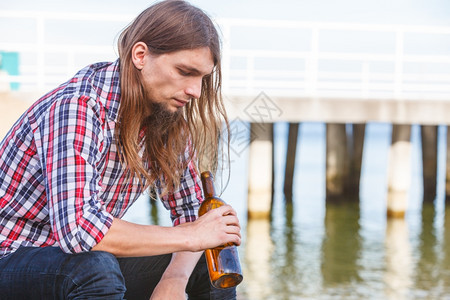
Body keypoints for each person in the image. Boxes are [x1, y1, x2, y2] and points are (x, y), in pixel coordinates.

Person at [0, 1, 241, 299]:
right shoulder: (78, 107)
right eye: (184, 71)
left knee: (208, 265)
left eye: (202, 78)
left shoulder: (168, 118)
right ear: (140, 55)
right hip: (11, 255)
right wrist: (193, 235)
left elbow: (192, 213)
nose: (195, 91)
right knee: (94, 269)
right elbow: (80, 230)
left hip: (76, 258)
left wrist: (174, 280)